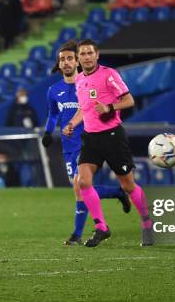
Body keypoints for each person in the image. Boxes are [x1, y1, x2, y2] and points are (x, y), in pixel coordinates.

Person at [63, 39, 154, 247]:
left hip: (112, 136)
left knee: (128, 185)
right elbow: (84, 109)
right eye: (82, 54)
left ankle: (147, 224)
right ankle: (101, 227)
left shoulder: (109, 74)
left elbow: (129, 100)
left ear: (97, 55)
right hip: (90, 137)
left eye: (89, 53)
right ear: (78, 58)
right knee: (82, 182)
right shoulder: (79, 80)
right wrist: (72, 123)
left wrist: (110, 107)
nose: (86, 57)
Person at [42, 40, 131, 245]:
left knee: (79, 186)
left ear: (78, 61)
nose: (66, 62)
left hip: (88, 141)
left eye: (70, 58)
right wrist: (48, 132)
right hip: (68, 144)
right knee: (80, 188)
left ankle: (78, 234)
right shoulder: (53, 91)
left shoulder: (86, 83)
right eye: (62, 59)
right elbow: (53, 114)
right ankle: (117, 192)